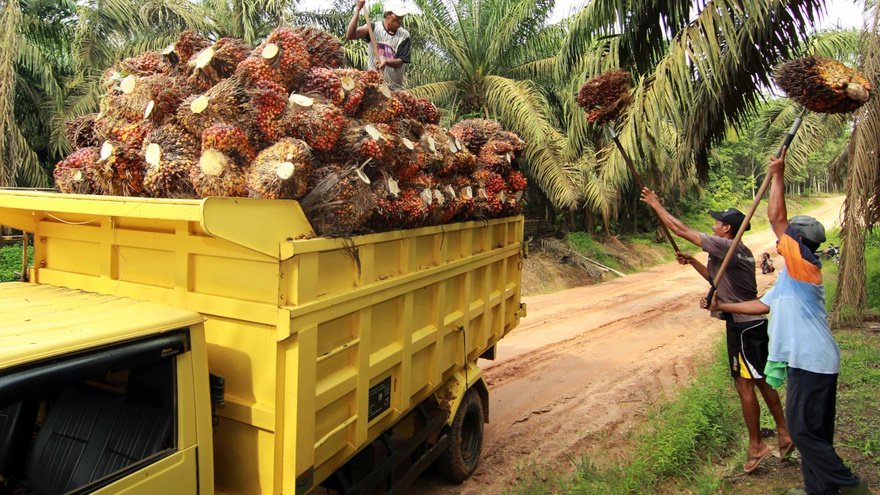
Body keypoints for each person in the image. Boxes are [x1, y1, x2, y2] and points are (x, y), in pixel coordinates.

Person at [705, 149, 869, 495]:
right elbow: (761, 306)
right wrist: (723, 304)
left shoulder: (803, 266)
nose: (781, 239)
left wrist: (777, 174)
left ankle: (851, 486)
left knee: (803, 431)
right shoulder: (790, 277)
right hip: (808, 361)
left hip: (812, 362)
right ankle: (819, 490)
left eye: (788, 236)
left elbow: (777, 217)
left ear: (797, 242)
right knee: (815, 431)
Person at [640, 187, 792, 474]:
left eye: (717, 222)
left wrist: (656, 204)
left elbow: (681, 229)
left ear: (727, 229)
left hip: (743, 329)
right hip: (752, 327)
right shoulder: (738, 251)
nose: (713, 225)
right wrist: (695, 262)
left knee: (744, 385)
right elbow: (717, 279)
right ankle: (784, 433)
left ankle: (757, 445)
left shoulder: (727, 246)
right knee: (760, 381)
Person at [346, 0, 413, 89]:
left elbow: (400, 62)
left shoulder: (404, 35)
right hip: (374, 86)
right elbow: (350, 35)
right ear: (387, 14)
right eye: (397, 16)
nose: (400, 20)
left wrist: (386, 62)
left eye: (402, 17)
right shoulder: (373, 28)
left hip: (395, 89)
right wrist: (358, 9)